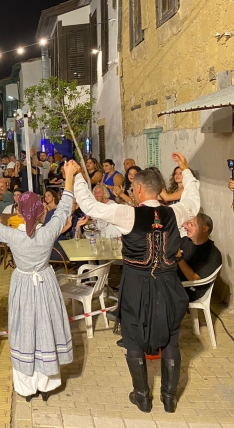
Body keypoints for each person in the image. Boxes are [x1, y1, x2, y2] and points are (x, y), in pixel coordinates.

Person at [72, 153, 200, 413]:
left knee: (133, 337)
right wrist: (186, 172)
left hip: (136, 284)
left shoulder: (126, 214)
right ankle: (169, 398)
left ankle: (142, 396)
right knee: (172, 339)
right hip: (168, 283)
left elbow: (89, 206)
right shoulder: (175, 211)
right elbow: (193, 201)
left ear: (139, 189)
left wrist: (75, 177)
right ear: (159, 190)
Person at [0, 160, 77, 402]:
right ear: (40, 211)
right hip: (44, 281)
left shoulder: (13, 235)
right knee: (45, 326)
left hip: (23, 283)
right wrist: (70, 176)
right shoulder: (48, 231)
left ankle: (26, 387)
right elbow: (64, 208)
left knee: (24, 329)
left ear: (21, 212)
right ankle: (46, 384)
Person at [178, 213, 222, 301]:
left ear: (205, 228)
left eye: (191, 224)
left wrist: (179, 258)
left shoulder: (212, 254)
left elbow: (194, 279)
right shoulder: (185, 241)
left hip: (190, 290)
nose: (186, 227)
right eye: (187, 223)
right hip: (175, 280)